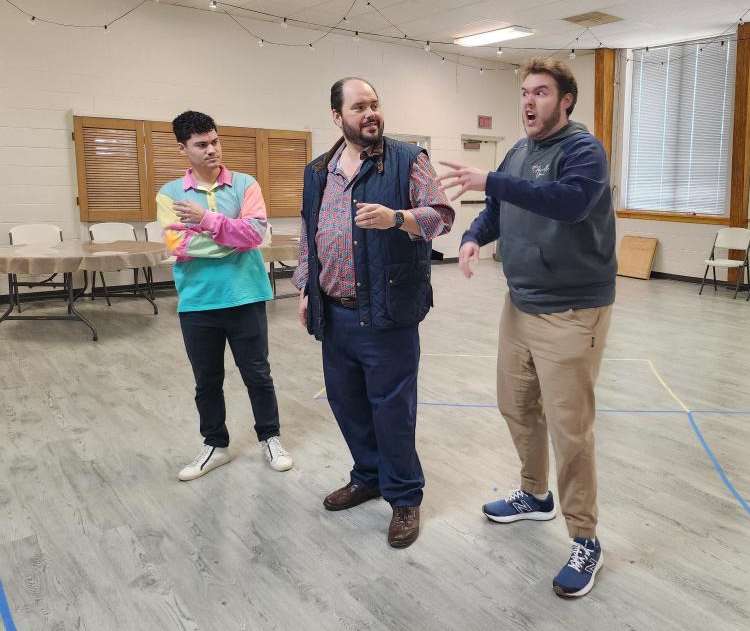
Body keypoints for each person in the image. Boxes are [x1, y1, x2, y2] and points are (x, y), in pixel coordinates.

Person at [439, 57, 616, 598]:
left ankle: (586, 539)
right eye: (524, 92)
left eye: (540, 92)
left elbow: (568, 203)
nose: (528, 102)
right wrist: (473, 235)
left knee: (570, 429)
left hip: (571, 309)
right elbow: (496, 206)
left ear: (566, 101)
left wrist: (489, 178)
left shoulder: (582, 150)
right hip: (521, 304)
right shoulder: (516, 152)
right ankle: (534, 495)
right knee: (515, 405)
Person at [293, 78, 453, 548]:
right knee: (347, 403)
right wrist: (305, 288)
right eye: (359, 106)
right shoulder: (319, 170)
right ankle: (368, 476)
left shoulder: (408, 159)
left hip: (387, 311)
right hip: (334, 310)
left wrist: (398, 218)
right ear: (337, 117)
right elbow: (308, 232)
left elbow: (442, 215)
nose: (370, 113)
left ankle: (404, 497)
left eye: (375, 105)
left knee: (392, 410)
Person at [157, 110, 293, 482]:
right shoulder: (169, 194)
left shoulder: (246, 184)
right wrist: (230, 239)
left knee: (258, 375)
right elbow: (177, 246)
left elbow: (254, 236)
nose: (212, 149)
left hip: (246, 296)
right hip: (197, 302)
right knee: (207, 381)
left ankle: (270, 437)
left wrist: (205, 220)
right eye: (201, 144)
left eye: (214, 141)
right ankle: (215, 445)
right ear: (183, 149)